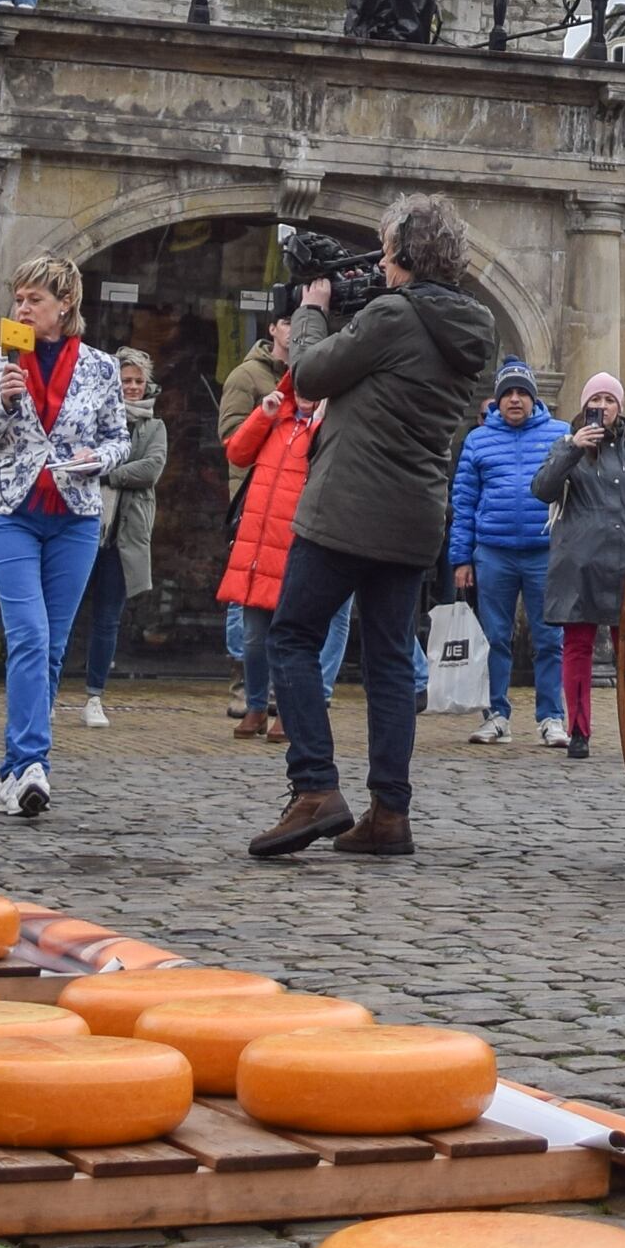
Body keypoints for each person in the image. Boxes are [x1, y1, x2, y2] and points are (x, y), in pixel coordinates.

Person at [249, 201, 500, 859]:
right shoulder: (474, 325)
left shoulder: (392, 314)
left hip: (347, 506)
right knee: (390, 661)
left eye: (388, 251)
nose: (381, 261)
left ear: (409, 256)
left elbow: (307, 374)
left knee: (295, 635)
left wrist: (312, 307)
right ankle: (389, 812)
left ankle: (314, 788)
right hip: (415, 513)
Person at [0, 256, 125, 819]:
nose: (22, 309)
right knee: (28, 636)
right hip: (9, 512)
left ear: (64, 306)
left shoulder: (100, 368)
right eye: (18, 299)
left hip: (75, 514)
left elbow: (119, 439)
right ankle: (34, 764)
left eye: (33, 300)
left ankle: (14, 771)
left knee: (52, 647)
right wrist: (4, 403)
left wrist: (96, 458)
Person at [531, 371, 625, 761]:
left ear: (619, 407)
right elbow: (542, 490)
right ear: (584, 405)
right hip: (580, 564)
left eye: (609, 400)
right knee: (578, 648)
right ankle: (578, 731)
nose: (601, 407)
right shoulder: (565, 445)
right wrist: (573, 447)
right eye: (595, 400)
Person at [218, 337, 336, 740]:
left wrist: (322, 420)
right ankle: (255, 707)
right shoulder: (276, 420)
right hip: (257, 544)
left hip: (297, 546)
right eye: (298, 385)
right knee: (254, 638)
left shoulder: (327, 428)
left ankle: (288, 711)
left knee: (292, 638)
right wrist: (263, 414)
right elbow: (236, 453)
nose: (304, 395)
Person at [447, 363, 565, 747]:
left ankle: (551, 718)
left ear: (534, 397)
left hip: (544, 552)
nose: (515, 399)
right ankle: (496, 715)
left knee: (549, 638)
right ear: (498, 400)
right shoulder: (479, 441)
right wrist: (461, 559)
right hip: (493, 553)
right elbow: (463, 504)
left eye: (522, 392)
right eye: (508, 393)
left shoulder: (561, 435)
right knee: (494, 637)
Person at [72, 348, 167, 729]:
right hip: (84, 527)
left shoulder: (153, 427)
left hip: (123, 534)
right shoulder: (92, 416)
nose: (131, 387)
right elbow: (76, 460)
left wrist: (106, 470)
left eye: (137, 381)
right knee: (64, 614)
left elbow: (152, 468)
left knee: (107, 619)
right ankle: (47, 691)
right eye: (125, 380)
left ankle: (95, 695)